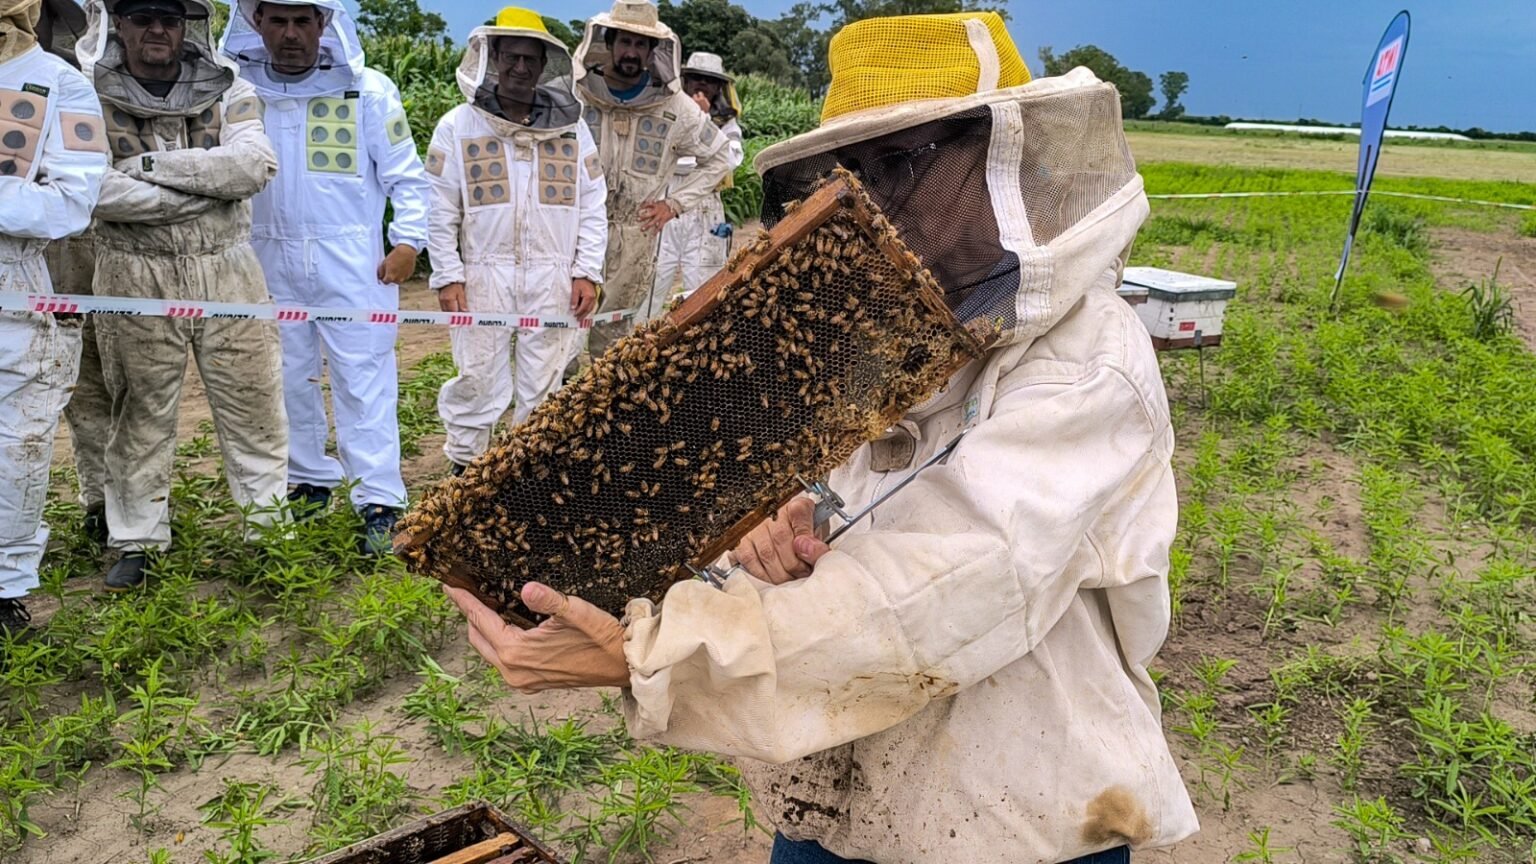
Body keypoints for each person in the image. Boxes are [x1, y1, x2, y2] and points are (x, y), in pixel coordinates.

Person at [443, 12, 1199, 864]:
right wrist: (786, 515)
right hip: (834, 782)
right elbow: (835, 498)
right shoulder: (865, 328)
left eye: (903, 162)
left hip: (1016, 803)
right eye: (853, 172)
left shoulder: (1086, 364)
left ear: (996, 152)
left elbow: (949, 582)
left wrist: (648, 658)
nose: (875, 199)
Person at [83, 0, 285, 590]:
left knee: (255, 404)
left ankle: (269, 533)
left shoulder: (230, 87)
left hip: (229, 268)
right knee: (139, 409)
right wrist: (200, 190)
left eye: (169, 18)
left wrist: (146, 165)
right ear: (117, 23)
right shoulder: (86, 92)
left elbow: (252, 166)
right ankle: (138, 540)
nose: (157, 29)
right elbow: (94, 188)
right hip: (131, 271)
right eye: (142, 16)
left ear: (186, 26)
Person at [219, 0, 430, 553]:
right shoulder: (236, 93)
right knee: (286, 380)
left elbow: (408, 178)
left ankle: (380, 501)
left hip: (354, 263)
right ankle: (309, 483)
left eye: (303, 21)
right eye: (277, 21)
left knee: (365, 381)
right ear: (256, 23)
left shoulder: (369, 90)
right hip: (262, 259)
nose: (290, 34)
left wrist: (408, 242)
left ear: (324, 25)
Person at [427, 7, 606, 474]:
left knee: (545, 383)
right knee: (476, 377)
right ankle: (465, 472)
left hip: (554, 275)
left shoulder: (572, 130)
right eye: (512, 58)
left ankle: (527, 476)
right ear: (493, 58)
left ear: (545, 65)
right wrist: (448, 274)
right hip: (482, 274)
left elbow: (592, 206)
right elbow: (441, 209)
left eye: (530, 59)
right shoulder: (457, 126)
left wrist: (586, 270)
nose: (520, 69)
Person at [0, 0, 108, 635]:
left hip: (13, 279)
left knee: (17, 443)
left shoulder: (61, 84)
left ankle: (5, 590)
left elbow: (73, 200)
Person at [567, 0, 731, 370]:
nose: (631, 52)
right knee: (564, 334)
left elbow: (719, 156)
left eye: (641, 45)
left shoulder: (674, 106)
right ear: (608, 43)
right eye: (625, 41)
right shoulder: (577, 97)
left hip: (637, 232)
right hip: (576, 231)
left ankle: (608, 415)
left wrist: (674, 204)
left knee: (616, 340)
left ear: (653, 51)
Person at [651, 51, 742, 304]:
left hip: (706, 206)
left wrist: (705, 120)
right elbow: (662, 158)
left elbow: (730, 159)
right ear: (685, 82)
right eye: (696, 79)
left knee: (705, 289)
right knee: (650, 283)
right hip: (666, 201)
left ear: (718, 88)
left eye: (708, 80)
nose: (701, 85)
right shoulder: (665, 112)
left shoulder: (727, 124)